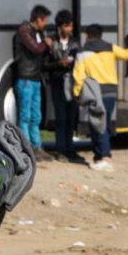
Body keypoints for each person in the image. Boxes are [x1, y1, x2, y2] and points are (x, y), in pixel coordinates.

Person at [72, 23, 128, 172]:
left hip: (95, 93)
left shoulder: (82, 52)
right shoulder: (110, 48)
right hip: (111, 92)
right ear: (101, 36)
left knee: (97, 125)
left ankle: (105, 157)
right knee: (105, 123)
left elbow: (78, 76)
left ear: (86, 36)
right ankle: (99, 157)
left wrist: (77, 94)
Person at [13, 4, 52, 160]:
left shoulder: (38, 33)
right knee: (25, 116)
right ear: (38, 19)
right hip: (25, 78)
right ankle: (27, 147)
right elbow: (35, 48)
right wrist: (45, 43)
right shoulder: (24, 31)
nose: (46, 24)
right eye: (45, 20)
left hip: (35, 78)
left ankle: (37, 146)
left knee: (36, 116)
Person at [44, 9, 83, 163]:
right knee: (60, 118)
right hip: (58, 83)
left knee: (71, 118)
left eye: (71, 26)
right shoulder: (51, 41)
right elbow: (45, 64)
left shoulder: (75, 42)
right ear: (59, 26)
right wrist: (58, 63)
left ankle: (70, 149)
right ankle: (61, 149)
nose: (69, 29)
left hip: (72, 84)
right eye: (67, 26)